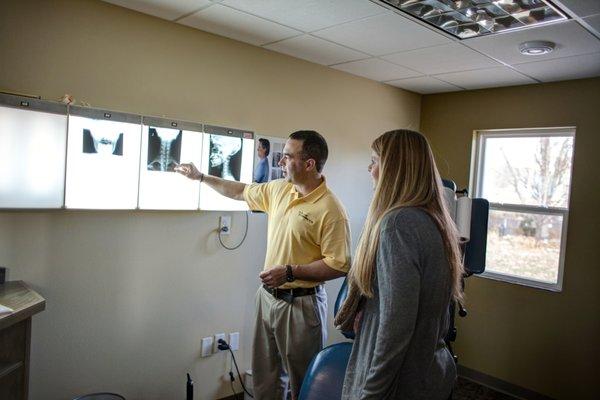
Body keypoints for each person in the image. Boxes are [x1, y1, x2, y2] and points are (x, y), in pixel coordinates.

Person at [176, 130, 351, 400]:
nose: (280, 161)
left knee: (304, 384)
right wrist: (201, 177)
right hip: (267, 299)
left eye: (287, 157)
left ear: (309, 164)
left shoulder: (331, 209)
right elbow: (239, 192)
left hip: (302, 305)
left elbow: (338, 265)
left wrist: (291, 271)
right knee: (265, 378)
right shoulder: (280, 189)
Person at [335, 129, 462, 400]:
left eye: (374, 161)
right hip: (429, 371)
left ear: (393, 169)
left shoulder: (398, 225)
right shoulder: (433, 221)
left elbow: (396, 327)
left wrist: (371, 392)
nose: (369, 169)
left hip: (400, 382)